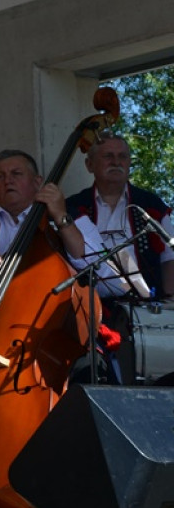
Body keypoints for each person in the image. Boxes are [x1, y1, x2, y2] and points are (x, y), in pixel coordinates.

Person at [0, 149, 114, 382]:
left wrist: (60, 217)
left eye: (16, 173)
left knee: (88, 375)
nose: (7, 180)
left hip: (50, 332)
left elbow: (100, 268)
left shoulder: (73, 219)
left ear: (37, 182)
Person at [66, 132, 174, 382]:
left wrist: (169, 304)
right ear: (89, 165)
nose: (116, 161)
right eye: (108, 156)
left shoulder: (151, 205)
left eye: (122, 156)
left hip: (144, 308)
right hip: (91, 310)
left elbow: (169, 258)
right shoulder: (74, 206)